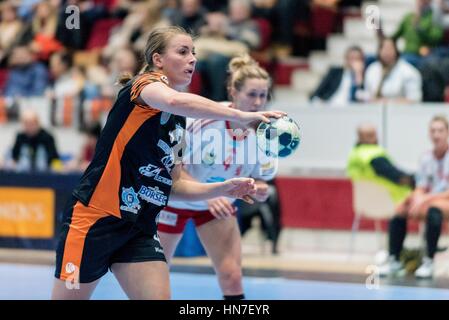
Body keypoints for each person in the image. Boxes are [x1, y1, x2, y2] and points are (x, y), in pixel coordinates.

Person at [51, 26, 285, 300]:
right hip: (96, 218)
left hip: (140, 227)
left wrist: (223, 188)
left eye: (194, 53)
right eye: (183, 51)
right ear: (158, 59)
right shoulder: (142, 86)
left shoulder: (178, 122)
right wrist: (243, 116)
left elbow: (175, 184)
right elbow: (173, 99)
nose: (193, 59)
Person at [157, 54, 277, 300]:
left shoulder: (265, 133)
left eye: (262, 96)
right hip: (176, 201)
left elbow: (258, 177)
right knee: (156, 276)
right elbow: (170, 166)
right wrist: (208, 193)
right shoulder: (202, 121)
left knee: (232, 276)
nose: (257, 102)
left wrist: (260, 188)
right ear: (233, 91)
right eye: (251, 94)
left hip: (218, 207)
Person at [379, 115, 449, 278]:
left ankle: (429, 261)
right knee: (401, 209)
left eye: (440, 130)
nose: (436, 134)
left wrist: (424, 199)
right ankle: (394, 260)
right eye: (433, 131)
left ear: (447, 133)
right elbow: (421, 187)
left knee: (434, 210)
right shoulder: (425, 158)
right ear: (428, 134)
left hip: (442, 201)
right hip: (431, 200)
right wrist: (415, 198)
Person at [347, 123, 414, 205]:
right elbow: (396, 176)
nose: (374, 137)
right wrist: (415, 180)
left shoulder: (355, 153)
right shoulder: (371, 154)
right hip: (391, 198)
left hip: (366, 200)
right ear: (360, 137)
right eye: (370, 135)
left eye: (374, 134)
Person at [364, 38, 423, 104]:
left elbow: (415, 100)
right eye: (383, 48)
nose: (386, 52)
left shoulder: (409, 72)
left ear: (396, 50)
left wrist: (388, 102)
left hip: (401, 112)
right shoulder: (371, 69)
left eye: (389, 49)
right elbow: (367, 96)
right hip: (372, 111)